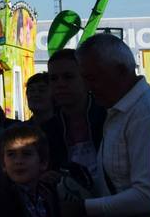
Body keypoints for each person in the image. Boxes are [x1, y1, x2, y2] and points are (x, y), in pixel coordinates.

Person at [77, 32, 150, 217]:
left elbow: (147, 196)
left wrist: (84, 208)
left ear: (120, 71)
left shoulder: (146, 113)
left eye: (93, 78)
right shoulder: (119, 109)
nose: (88, 87)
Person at [41, 49, 107, 190]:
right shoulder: (47, 130)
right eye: (53, 78)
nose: (60, 84)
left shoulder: (109, 116)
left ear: (85, 79)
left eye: (68, 77)